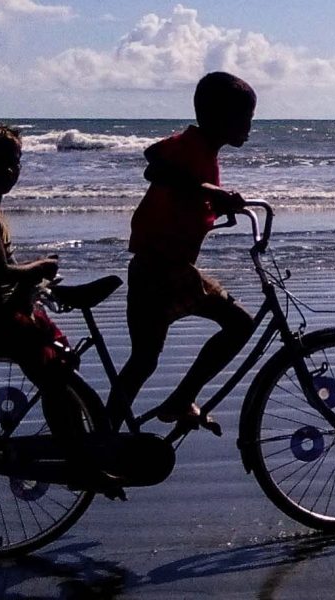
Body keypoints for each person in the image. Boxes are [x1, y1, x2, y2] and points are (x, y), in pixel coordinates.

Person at [0, 121, 120, 494]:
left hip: (5, 308)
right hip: (0, 316)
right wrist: (38, 268)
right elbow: (0, 270)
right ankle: (79, 464)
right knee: (56, 383)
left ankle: (80, 447)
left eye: (15, 161)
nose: (11, 170)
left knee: (61, 371)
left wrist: (35, 277)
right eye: (0, 162)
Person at [108, 72, 257, 433]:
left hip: (159, 267)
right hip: (163, 268)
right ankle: (176, 400)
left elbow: (183, 192)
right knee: (239, 324)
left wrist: (218, 203)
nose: (250, 127)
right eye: (245, 118)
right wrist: (211, 192)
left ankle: (102, 435)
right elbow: (155, 165)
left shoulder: (203, 151)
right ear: (223, 119)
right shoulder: (192, 147)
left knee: (143, 361)